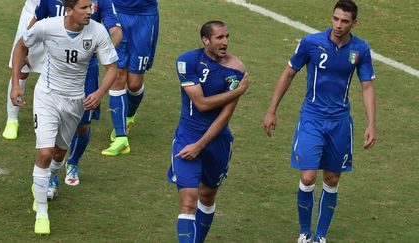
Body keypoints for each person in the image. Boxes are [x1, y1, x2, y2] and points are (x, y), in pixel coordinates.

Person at [262, 1, 375, 242]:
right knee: (308, 177)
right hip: (312, 118)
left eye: (345, 21)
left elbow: (367, 87)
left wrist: (371, 123)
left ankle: (320, 236)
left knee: (332, 179)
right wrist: (272, 110)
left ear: (354, 23)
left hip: (340, 123)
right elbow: (289, 73)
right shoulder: (311, 43)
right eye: (335, 19)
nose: (338, 25)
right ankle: (305, 233)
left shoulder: (361, 49)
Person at [10, 0, 118, 235]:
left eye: (91, 7)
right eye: (84, 8)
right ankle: (41, 212)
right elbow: (20, 46)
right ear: (69, 10)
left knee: (59, 153)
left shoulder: (97, 32)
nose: (90, 11)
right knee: (45, 152)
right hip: (47, 96)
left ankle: (48, 179)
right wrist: (16, 85)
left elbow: (112, 67)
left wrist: (99, 93)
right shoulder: (48, 26)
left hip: (74, 101)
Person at [167, 21, 250, 243]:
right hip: (187, 137)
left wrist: (201, 145)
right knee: (187, 200)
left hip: (217, 141)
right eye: (219, 38)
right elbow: (202, 104)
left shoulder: (236, 70)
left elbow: (225, 116)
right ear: (206, 40)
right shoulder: (187, 61)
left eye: (227, 37)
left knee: (207, 195)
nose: (225, 42)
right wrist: (238, 91)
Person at [32, 0, 122, 198]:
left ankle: (72, 163)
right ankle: (52, 176)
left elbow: (116, 31)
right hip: (57, 70)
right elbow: (34, 25)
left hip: (86, 71)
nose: (88, 11)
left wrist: (103, 49)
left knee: (83, 125)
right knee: (53, 128)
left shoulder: (102, 4)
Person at [101, 0, 159, 156]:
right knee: (118, 74)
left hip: (145, 17)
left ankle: (129, 116)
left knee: (134, 84)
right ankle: (121, 138)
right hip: (117, 13)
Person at [2, 0, 42, 140]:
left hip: (62, 19)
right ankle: (12, 120)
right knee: (21, 69)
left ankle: (53, 121)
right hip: (33, 15)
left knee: (59, 70)